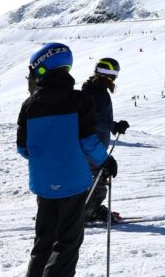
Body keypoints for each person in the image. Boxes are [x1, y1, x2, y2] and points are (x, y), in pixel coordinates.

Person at [18, 43, 114, 277]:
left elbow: (23, 148)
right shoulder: (79, 100)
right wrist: (106, 161)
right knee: (67, 244)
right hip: (73, 183)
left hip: (44, 184)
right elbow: (88, 141)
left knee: (43, 243)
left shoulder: (29, 105)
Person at [81, 57, 128, 225]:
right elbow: (94, 119)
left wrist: (113, 126)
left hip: (93, 144)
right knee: (98, 183)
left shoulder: (92, 89)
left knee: (93, 180)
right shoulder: (97, 92)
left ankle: (86, 209)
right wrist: (114, 126)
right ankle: (87, 212)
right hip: (92, 145)